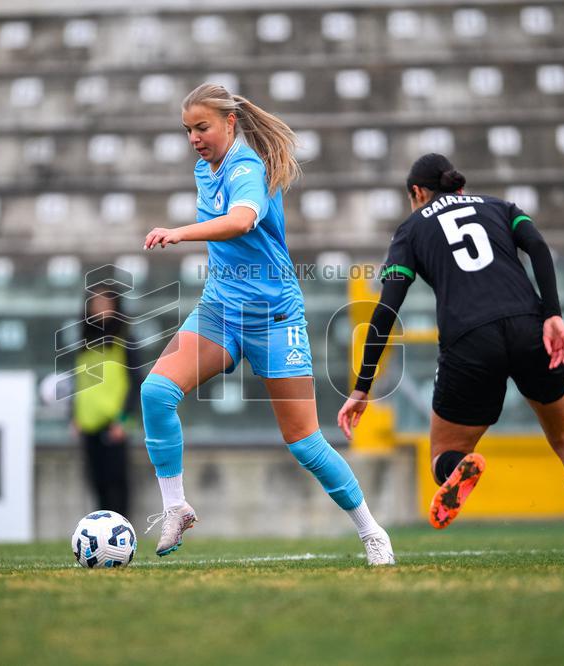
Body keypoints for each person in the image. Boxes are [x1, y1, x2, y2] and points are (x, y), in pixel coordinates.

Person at [337, 153, 564, 568]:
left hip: (470, 339)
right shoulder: (501, 207)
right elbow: (538, 246)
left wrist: (362, 387)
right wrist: (552, 313)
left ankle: (459, 466)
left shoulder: (411, 229)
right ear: (457, 186)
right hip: (529, 326)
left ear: (417, 193)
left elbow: (387, 308)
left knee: (443, 450)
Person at [139, 83, 394, 564]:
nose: (194, 138)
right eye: (188, 130)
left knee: (305, 443)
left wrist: (178, 233)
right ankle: (177, 506)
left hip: (274, 319)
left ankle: (372, 532)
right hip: (219, 311)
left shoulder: (246, 166)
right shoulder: (204, 168)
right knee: (155, 394)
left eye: (202, 127)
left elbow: (242, 220)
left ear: (229, 123)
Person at [69, 286, 139, 518]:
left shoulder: (125, 340)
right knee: (96, 481)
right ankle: (101, 532)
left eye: (105, 304)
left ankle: (120, 529)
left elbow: (135, 382)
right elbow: (79, 382)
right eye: (95, 304)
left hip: (113, 424)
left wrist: (124, 419)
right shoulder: (83, 343)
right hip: (88, 423)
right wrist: (74, 417)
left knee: (116, 482)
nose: (99, 309)